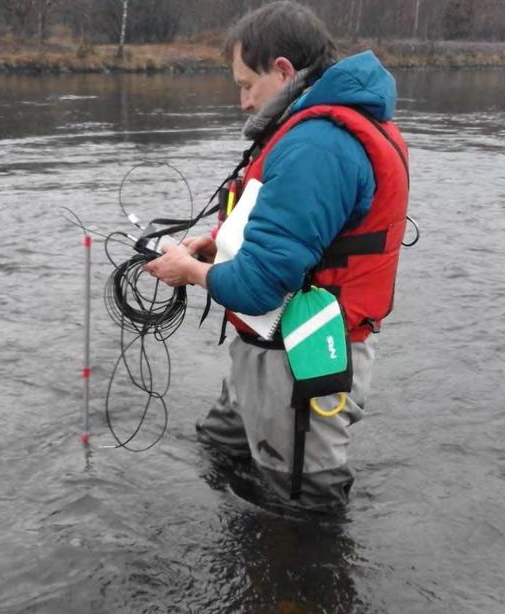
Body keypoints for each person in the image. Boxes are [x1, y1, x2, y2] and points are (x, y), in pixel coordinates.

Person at [145, 1, 409, 507]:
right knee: (220, 451)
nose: (243, 102)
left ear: (284, 71)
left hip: (299, 359)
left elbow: (261, 285)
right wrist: (215, 244)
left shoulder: (318, 146)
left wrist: (189, 271)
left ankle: (302, 584)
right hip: (266, 350)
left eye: (247, 84)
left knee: (301, 507)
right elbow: (284, 229)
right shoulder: (316, 131)